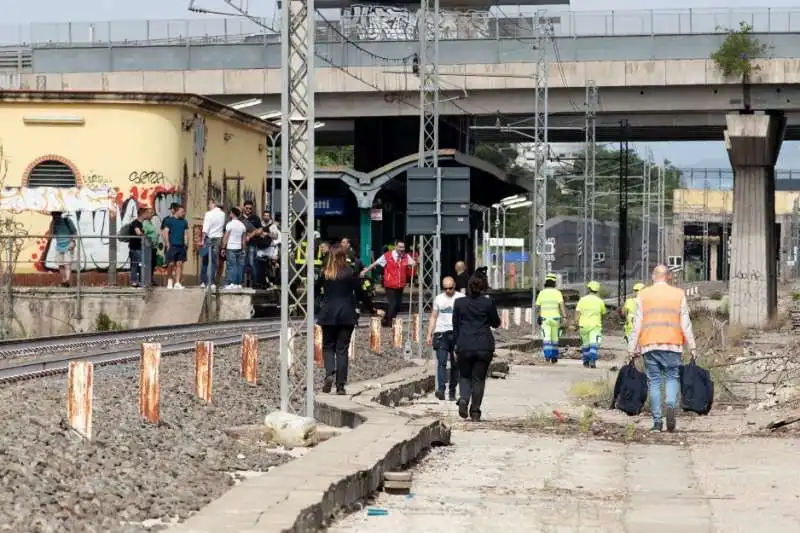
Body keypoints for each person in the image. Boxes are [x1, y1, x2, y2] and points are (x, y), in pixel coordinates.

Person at [629, 265, 697, 433]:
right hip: (673, 344)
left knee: (654, 382)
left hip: (649, 345)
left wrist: (632, 347)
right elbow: (685, 323)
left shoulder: (643, 295)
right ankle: (671, 404)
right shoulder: (678, 294)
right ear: (668, 277)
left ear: (653, 277)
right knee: (672, 377)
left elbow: (637, 323)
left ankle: (657, 422)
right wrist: (692, 346)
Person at [453, 274, 501, 421]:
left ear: (468, 287)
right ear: (483, 288)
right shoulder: (488, 303)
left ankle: (463, 399)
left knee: (465, 375)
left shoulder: (459, 303)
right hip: (484, 346)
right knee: (479, 379)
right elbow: (496, 323)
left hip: (465, 345)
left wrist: (457, 343)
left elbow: (455, 325)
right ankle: (475, 412)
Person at [317, 244, 360, 395]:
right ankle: (340, 386)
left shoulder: (325, 273)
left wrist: (319, 305)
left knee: (328, 346)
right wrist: (371, 308)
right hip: (347, 315)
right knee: (342, 350)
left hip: (328, 315)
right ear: (344, 257)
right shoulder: (350, 273)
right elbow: (360, 292)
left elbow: (315, 291)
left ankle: (329, 373)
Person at [426, 276, 465, 401]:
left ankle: (452, 391)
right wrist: (429, 333)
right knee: (441, 362)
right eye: (446, 288)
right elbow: (434, 316)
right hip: (441, 333)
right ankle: (441, 389)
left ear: (454, 286)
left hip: (456, 334)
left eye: (451, 288)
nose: (449, 290)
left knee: (455, 364)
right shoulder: (438, 299)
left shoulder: (461, 298)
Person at [360, 239, 415, 327]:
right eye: (400, 247)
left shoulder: (405, 256)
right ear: (396, 246)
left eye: (403, 247)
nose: (402, 249)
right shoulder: (388, 256)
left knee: (398, 305)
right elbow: (375, 263)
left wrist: (413, 265)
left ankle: (386, 318)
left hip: (400, 285)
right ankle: (389, 321)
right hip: (390, 284)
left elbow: (414, 264)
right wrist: (365, 271)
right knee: (393, 303)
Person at [535, 273, 567, 364]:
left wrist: (538, 316)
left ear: (546, 282)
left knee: (547, 338)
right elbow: (561, 306)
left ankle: (548, 356)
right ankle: (554, 357)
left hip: (545, 319)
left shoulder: (541, 293)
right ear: (554, 283)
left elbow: (537, 307)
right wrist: (564, 317)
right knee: (555, 338)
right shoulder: (557, 293)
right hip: (555, 319)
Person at [575, 280, 607, 369]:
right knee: (594, 344)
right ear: (597, 290)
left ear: (589, 289)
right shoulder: (600, 301)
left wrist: (576, 324)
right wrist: (601, 320)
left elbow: (577, 313)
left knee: (585, 345)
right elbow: (604, 313)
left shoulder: (582, 300)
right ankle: (592, 360)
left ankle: (585, 361)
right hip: (595, 325)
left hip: (583, 325)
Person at [200, 199, 226, 289]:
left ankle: (203, 281)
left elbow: (205, 228)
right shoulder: (223, 214)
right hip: (218, 238)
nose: (208, 205)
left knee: (205, 260)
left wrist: (202, 240)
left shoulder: (208, 213)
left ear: (214, 204)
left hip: (208, 238)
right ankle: (212, 282)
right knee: (214, 261)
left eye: (209, 203)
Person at [162, 204, 189, 289]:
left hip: (181, 246)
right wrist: (167, 244)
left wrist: (186, 243)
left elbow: (186, 233)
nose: (183, 213)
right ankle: (170, 280)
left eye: (183, 212)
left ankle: (177, 282)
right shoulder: (169, 221)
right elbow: (165, 232)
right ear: (177, 211)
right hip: (172, 245)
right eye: (182, 211)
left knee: (179, 264)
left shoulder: (184, 221)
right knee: (171, 263)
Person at [49, 212, 77, 287]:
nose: (54, 217)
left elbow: (74, 232)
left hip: (68, 246)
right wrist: (52, 224)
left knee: (67, 265)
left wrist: (73, 241)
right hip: (59, 247)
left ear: (60, 214)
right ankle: (64, 281)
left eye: (56, 215)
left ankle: (67, 281)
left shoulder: (67, 220)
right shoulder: (53, 223)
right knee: (60, 265)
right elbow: (51, 235)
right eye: (53, 215)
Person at [222, 207, 247, 289]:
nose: (229, 214)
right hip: (239, 247)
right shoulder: (242, 225)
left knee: (231, 266)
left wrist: (223, 248)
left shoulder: (229, 224)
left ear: (232, 214)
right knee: (239, 266)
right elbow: (243, 240)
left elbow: (226, 237)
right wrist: (243, 249)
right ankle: (238, 283)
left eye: (230, 213)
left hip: (231, 247)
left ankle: (231, 283)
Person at [127, 207, 149, 288]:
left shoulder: (141, 223)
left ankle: (139, 281)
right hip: (135, 248)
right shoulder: (136, 223)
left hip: (140, 248)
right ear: (142, 214)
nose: (147, 215)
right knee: (136, 264)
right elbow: (138, 233)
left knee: (139, 264)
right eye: (146, 213)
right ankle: (134, 282)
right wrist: (145, 236)